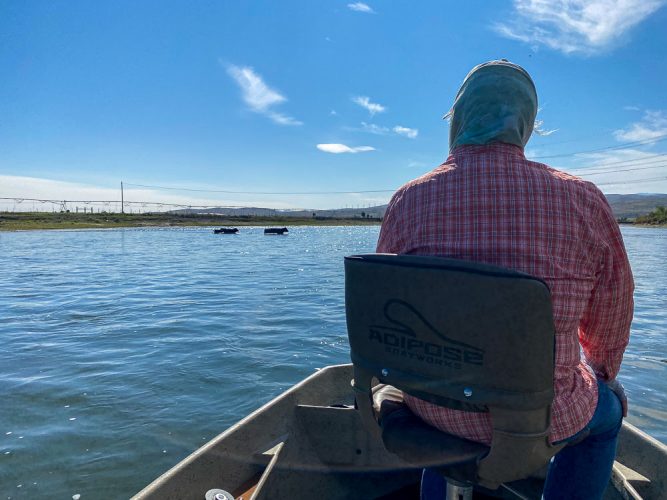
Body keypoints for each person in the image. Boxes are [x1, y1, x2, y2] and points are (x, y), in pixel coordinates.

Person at [375, 60, 634, 500]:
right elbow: (612, 311)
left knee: (438, 396)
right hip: (537, 417)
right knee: (606, 414)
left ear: (459, 117)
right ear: (527, 122)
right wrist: (603, 374)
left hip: (431, 408)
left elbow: (383, 308)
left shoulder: (408, 199)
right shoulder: (582, 198)